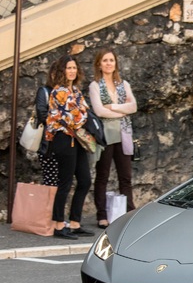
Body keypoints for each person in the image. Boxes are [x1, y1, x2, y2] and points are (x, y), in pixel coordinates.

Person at [45, 55, 95, 239]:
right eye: (68, 68)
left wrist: (82, 115)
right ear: (62, 71)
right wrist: (82, 115)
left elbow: (84, 113)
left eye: (74, 67)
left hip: (77, 140)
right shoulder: (59, 92)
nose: (72, 71)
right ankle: (58, 225)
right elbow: (75, 118)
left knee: (84, 180)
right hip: (64, 139)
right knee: (64, 183)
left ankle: (74, 222)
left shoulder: (76, 91)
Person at [89, 48, 138, 229]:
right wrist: (122, 108)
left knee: (125, 176)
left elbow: (133, 107)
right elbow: (99, 111)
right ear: (99, 64)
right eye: (105, 60)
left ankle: (130, 213)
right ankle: (102, 215)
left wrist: (114, 107)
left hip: (123, 134)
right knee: (102, 175)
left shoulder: (123, 84)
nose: (108, 63)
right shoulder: (95, 85)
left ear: (115, 63)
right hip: (105, 136)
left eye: (111, 60)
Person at [35, 60, 59, 186]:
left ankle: (56, 206)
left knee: (63, 183)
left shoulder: (71, 92)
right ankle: (49, 206)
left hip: (66, 145)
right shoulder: (44, 91)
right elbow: (42, 114)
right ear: (52, 74)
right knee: (50, 182)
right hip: (49, 144)